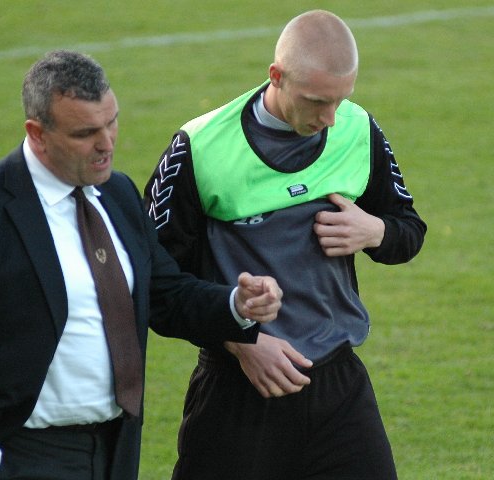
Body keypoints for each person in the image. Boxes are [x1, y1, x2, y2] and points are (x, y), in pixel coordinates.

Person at [0, 50, 284, 480]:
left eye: (112, 121)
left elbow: (165, 292)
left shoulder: (117, 194)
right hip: (14, 453)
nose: (107, 143)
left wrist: (235, 304)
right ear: (37, 133)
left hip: (111, 452)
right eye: (85, 133)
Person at [144, 9, 427, 480]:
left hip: (339, 386)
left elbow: (408, 230)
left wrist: (374, 231)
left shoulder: (357, 130)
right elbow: (153, 282)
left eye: (341, 100)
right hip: (239, 391)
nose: (329, 118)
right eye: (317, 101)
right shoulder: (200, 148)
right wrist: (240, 342)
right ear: (276, 76)